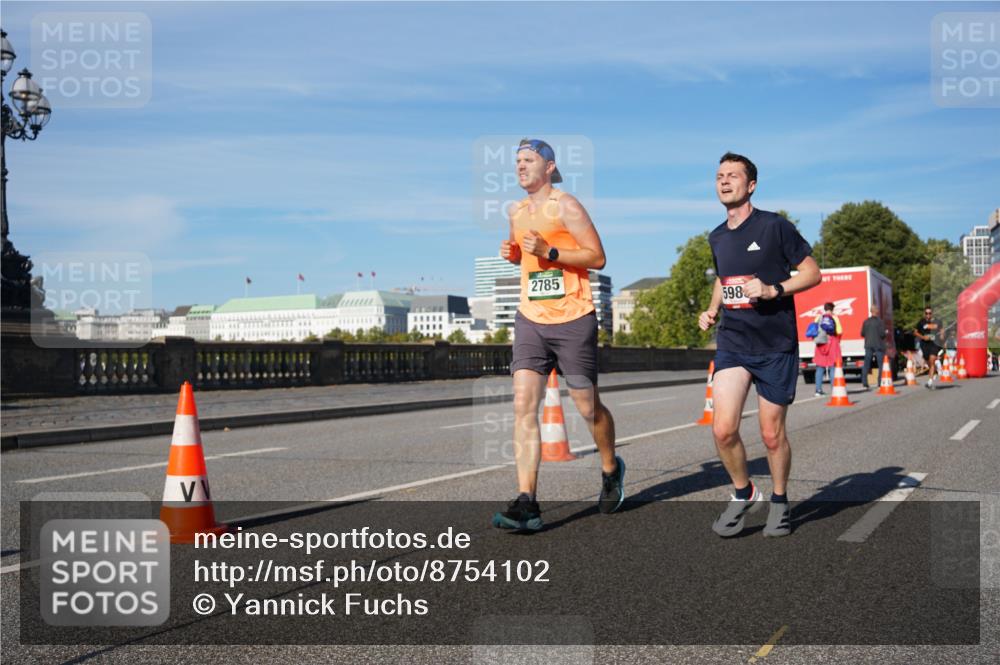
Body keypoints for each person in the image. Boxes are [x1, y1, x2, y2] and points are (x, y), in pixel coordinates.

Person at [492, 138, 624, 531]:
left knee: (587, 408)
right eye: (517, 161)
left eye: (528, 160)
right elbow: (526, 255)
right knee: (522, 408)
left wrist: (550, 252)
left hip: (573, 318)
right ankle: (527, 502)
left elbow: (597, 256)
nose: (520, 167)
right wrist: (516, 255)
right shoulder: (515, 210)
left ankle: (610, 467)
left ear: (549, 167)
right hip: (530, 317)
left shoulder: (566, 205)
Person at [699, 152, 821, 538]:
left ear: (750, 185)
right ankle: (743, 492)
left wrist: (774, 289)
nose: (724, 181)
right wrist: (712, 309)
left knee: (771, 435)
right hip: (733, 343)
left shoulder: (774, 227)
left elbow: (812, 272)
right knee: (722, 429)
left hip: (775, 344)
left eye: (733, 175)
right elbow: (723, 278)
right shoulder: (717, 235)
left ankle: (781, 501)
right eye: (719, 175)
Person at [813, 302, 843, 396]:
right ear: (832, 309)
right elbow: (839, 331)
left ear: (824, 308)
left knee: (820, 367)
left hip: (821, 344)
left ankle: (818, 390)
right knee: (833, 367)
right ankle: (834, 389)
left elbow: (814, 330)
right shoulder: (834, 318)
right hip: (832, 343)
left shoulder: (818, 317)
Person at [914, 307, 943, 389]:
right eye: (926, 313)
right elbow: (915, 332)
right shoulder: (921, 322)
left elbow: (941, 329)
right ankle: (934, 372)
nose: (928, 315)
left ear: (932, 313)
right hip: (924, 344)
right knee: (929, 362)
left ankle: (930, 382)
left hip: (934, 343)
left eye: (930, 313)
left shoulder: (937, 321)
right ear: (924, 314)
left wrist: (941, 334)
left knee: (932, 359)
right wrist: (923, 337)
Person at [860, 305, 887, 390]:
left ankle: (865, 383)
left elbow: (862, 333)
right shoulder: (880, 322)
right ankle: (880, 382)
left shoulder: (866, 322)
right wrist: (885, 332)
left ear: (871, 311)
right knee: (880, 364)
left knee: (866, 364)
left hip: (868, 345)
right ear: (877, 311)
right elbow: (882, 334)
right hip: (878, 345)